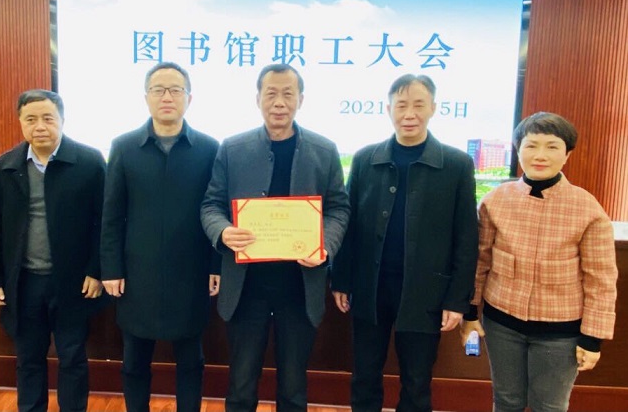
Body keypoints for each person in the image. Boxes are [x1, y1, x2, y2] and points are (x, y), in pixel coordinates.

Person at [201, 63, 350, 412]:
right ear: (258, 99)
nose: (279, 102)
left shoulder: (324, 150)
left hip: (299, 286)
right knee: (240, 386)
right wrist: (223, 231)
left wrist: (325, 246)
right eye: (271, 94)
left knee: (294, 388)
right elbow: (211, 204)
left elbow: (339, 209)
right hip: (246, 287)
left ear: (301, 99)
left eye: (287, 94)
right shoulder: (232, 148)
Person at [331, 74, 478, 412]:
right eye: (401, 105)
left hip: (426, 292)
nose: (409, 114)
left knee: (416, 380)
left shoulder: (456, 164)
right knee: (364, 374)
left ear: (434, 108)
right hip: (370, 287)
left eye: (418, 105)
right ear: (388, 109)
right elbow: (348, 224)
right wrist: (341, 279)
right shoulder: (366, 159)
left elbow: (466, 237)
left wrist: (457, 300)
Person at [460, 112, 618, 412]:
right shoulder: (495, 200)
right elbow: (479, 262)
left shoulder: (588, 208)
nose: (540, 155)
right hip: (501, 324)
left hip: (561, 332)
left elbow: (601, 280)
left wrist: (592, 338)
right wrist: (470, 313)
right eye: (531, 145)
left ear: (567, 154)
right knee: (506, 400)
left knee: (550, 406)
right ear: (518, 149)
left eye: (552, 146)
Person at [100, 62, 221, 411]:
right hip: (137, 272)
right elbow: (112, 214)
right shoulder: (124, 147)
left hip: (191, 270)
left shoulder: (209, 148)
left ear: (189, 98)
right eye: (158, 90)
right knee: (134, 361)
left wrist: (216, 265)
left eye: (175, 90)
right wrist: (111, 268)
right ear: (146, 97)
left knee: (191, 361)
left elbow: (217, 209)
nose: (167, 97)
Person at [0, 89, 106, 412]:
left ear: (62, 119)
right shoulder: (5, 168)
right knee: (28, 358)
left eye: (48, 118)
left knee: (72, 355)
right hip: (24, 281)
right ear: (20, 122)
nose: (39, 126)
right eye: (31, 119)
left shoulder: (89, 162)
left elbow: (103, 223)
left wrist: (96, 270)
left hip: (73, 281)